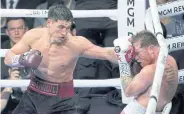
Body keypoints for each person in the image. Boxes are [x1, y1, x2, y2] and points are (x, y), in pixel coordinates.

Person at [4, 4, 118, 114]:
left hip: (62, 99)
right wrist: (21, 59)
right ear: (49, 23)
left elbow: (107, 54)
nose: (64, 33)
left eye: (68, 28)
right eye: (61, 27)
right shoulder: (34, 36)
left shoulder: (76, 44)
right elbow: (9, 57)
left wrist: (124, 55)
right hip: (33, 93)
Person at [116, 30, 178, 114]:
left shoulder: (150, 70)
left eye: (137, 53)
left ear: (151, 49)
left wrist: (123, 62)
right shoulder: (170, 59)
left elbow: (128, 92)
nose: (136, 58)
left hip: (143, 109)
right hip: (160, 108)